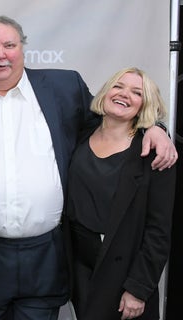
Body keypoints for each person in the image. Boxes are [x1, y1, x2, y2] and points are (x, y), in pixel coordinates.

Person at [0, 16, 177, 320]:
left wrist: (155, 127)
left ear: (22, 49)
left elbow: (112, 120)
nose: (1, 54)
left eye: (9, 45)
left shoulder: (64, 87)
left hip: (49, 254)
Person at [66, 67, 175, 320]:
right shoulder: (81, 134)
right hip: (81, 267)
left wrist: (138, 289)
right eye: (118, 86)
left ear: (144, 104)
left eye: (137, 92)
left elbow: (158, 230)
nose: (124, 94)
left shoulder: (154, 154)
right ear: (106, 92)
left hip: (124, 272)